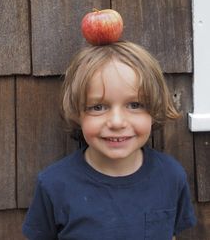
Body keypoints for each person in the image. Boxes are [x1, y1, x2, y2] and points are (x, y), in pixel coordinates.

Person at [22, 41, 196, 240]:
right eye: (98, 107)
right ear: (77, 113)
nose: (116, 122)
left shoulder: (171, 176)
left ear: (154, 109)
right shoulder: (54, 185)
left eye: (134, 104)